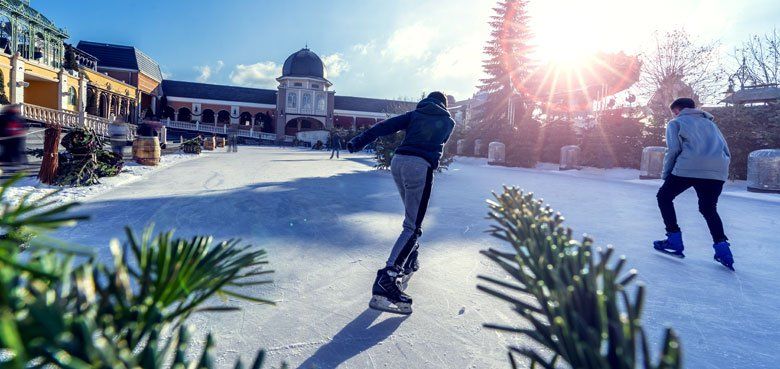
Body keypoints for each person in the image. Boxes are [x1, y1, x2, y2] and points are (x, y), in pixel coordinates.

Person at [347, 91, 455, 314]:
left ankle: (409, 258)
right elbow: (441, 141)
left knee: (411, 219)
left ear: (426, 101)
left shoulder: (415, 114)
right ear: (444, 105)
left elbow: (384, 126)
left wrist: (359, 141)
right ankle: (387, 279)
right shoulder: (448, 121)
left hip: (398, 162)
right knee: (412, 226)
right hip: (419, 166)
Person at [653, 97, 734, 270]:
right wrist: (719, 168)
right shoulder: (711, 124)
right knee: (708, 209)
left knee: (664, 197)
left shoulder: (676, 123)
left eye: (674, 112)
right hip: (716, 170)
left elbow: (673, 150)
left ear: (677, 110)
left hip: (688, 167)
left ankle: (674, 240)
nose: (674, 115)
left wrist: (666, 173)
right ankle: (723, 251)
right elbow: (726, 150)